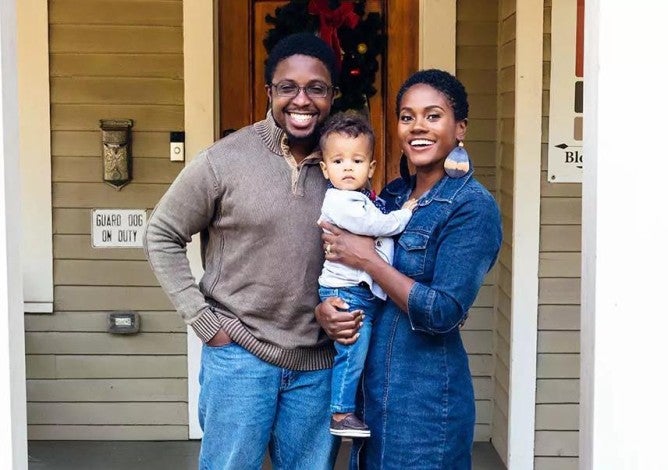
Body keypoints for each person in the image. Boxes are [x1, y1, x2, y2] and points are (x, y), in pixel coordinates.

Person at [144, 32, 343, 470]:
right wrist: (201, 319)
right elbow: (161, 233)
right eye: (288, 87)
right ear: (270, 92)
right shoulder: (224, 161)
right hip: (240, 356)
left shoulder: (344, 165)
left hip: (317, 364)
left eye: (316, 88)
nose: (302, 100)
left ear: (332, 95)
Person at [315, 69, 502, 469]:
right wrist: (328, 309)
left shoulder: (473, 207)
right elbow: (351, 273)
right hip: (371, 397)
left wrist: (365, 259)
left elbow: (442, 311)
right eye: (407, 116)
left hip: (424, 406)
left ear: (460, 128)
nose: (417, 127)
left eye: (433, 116)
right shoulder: (392, 196)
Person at [316, 111, 418, 438]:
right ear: (324, 168)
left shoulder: (361, 199)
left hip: (359, 289)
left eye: (357, 160)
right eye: (338, 160)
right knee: (352, 353)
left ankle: (350, 408)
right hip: (347, 291)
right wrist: (404, 216)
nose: (348, 167)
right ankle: (341, 414)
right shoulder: (340, 201)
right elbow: (372, 227)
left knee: (359, 354)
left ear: (371, 168)